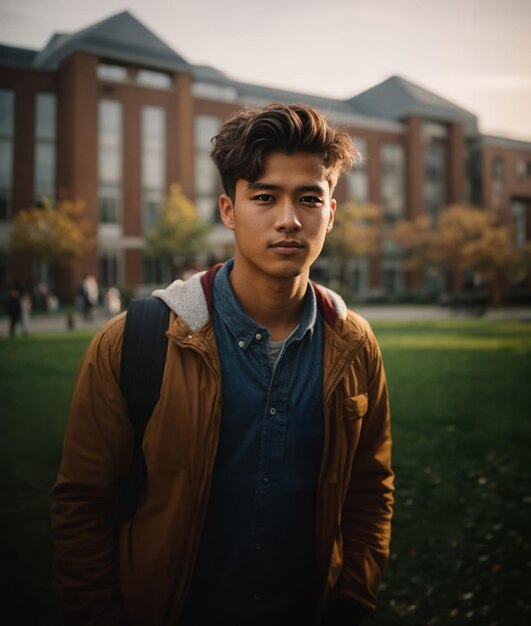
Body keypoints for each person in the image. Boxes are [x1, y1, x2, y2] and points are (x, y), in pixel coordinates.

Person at [51, 103, 394, 626]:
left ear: (331, 212)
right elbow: (82, 505)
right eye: (264, 196)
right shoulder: (133, 342)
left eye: (309, 198)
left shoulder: (354, 345)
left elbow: (370, 488)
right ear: (228, 210)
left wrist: (352, 600)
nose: (288, 219)